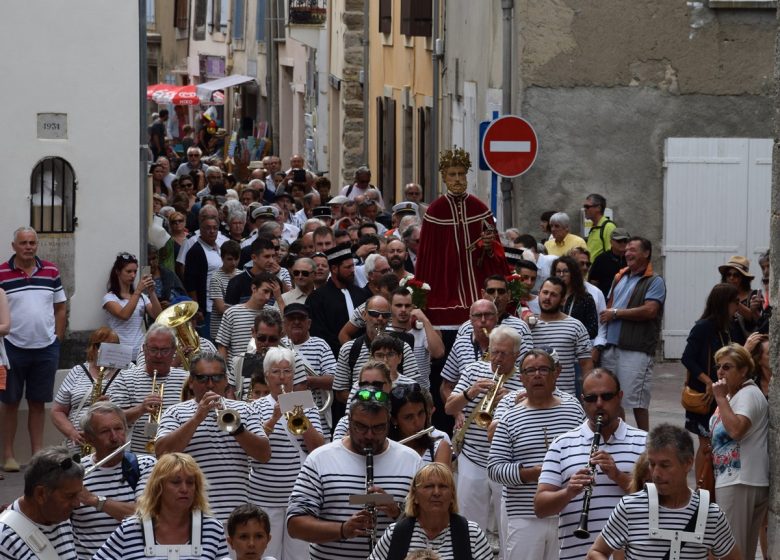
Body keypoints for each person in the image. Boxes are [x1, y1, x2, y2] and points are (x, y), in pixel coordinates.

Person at [286, 391, 424, 559]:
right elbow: (295, 525)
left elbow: (430, 522)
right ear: (349, 421)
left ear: (389, 422)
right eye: (361, 426)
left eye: (378, 427)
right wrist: (343, 530)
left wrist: (398, 512)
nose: (369, 435)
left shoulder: (411, 460)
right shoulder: (320, 459)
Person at [535, 368, 647, 560]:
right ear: (582, 400)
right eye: (591, 398)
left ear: (619, 397)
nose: (599, 404)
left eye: (606, 396)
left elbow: (660, 500)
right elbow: (540, 508)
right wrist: (569, 491)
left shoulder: (644, 442)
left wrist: (618, 476)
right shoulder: (561, 444)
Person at [487, 349, 585, 560]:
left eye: (543, 369)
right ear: (522, 378)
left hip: (568, 514)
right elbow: (494, 469)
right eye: (530, 370)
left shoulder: (574, 410)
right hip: (524, 516)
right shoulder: (508, 419)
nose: (537, 375)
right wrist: (531, 473)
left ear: (555, 374)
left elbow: (586, 454)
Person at [587, 424, 739, 560]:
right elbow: (596, 552)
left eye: (665, 465)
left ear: (687, 463)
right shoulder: (630, 507)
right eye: (652, 464)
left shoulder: (711, 515)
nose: (656, 474)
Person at [154, 352, 270, 523]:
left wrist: (237, 429)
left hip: (235, 516)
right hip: (192, 516)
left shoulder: (245, 410)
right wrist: (197, 418)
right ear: (191, 382)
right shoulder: (175, 412)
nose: (210, 384)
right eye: (202, 378)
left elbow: (264, 454)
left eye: (216, 378)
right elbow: (162, 453)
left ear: (225, 381)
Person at [444, 326, 526, 545]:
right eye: (494, 352)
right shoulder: (473, 371)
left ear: (516, 355)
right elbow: (449, 408)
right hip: (473, 456)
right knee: (468, 522)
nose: (497, 359)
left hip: (507, 461)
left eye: (503, 354)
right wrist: (470, 392)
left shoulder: (524, 379)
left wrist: (511, 400)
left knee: (508, 525)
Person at [415, 148, 509, 329]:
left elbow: (497, 253)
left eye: (461, 174)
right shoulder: (435, 211)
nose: (457, 179)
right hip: (445, 285)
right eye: (452, 175)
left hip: (478, 280)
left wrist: (488, 247)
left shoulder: (479, 208)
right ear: (444, 177)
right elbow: (427, 257)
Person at [0, 227, 67, 472]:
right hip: (11, 348)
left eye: (32, 243)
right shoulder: (2, 274)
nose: (28, 247)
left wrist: (57, 338)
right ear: (13, 246)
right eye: (23, 243)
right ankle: (8, 455)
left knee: (38, 402)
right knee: (10, 402)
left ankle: (37, 455)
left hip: (46, 347)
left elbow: (60, 306)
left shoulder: (51, 270)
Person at [248, 347, 325, 559]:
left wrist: (300, 416)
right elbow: (253, 449)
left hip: (297, 499)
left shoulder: (305, 402)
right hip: (263, 498)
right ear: (266, 376)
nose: (282, 377)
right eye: (276, 372)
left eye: (287, 371)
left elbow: (318, 448)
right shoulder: (254, 407)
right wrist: (274, 419)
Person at [93, 452, 229, 559]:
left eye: (190, 482)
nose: (184, 489)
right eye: (176, 482)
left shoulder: (213, 529)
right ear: (159, 487)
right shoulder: (130, 529)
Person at [72, 402, 156, 559]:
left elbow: (146, 514)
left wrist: (95, 500)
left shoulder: (146, 465)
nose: (114, 438)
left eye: (118, 429)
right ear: (89, 439)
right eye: (105, 431)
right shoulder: (75, 473)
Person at [599, 236, 666, 431]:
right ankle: (622, 440)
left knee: (636, 400)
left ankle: (644, 443)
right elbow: (608, 307)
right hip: (611, 346)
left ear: (646, 253)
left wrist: (616, 314)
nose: (627, 253)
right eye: (626, 249)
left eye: (633, 249)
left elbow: (650, 310)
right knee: (614, 399)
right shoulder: (620, 276)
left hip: (636, 348)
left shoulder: (655, 281)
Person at [710, 343, 768, 560]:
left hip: (741, 481)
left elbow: (736, 430)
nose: (721, 372)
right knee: (739, 551)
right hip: (735, 480)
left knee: (731, 551)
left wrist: (720, 398)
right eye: (719, 366)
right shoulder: (734, 395)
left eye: (728, 367)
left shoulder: (748, 394)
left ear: (743, 370)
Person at [367, 463, 493, 560]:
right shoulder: (395, 534)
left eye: (443, 486)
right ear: (415, 496)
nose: (436, 493)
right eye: (428, 486)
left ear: (452, 495)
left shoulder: (472, 534)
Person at [680, 283, 739, 487]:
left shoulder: (731, 326)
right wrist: (708, 381)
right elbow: (687, 358)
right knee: (705, 445)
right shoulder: (704, 327)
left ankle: (712, 485)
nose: (738, 307)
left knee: (716, 443)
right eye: (735, 302)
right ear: (725, 303)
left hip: (722, 394)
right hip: (704, 396)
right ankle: (702, 488)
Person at [107, 324, 190, 455]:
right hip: (139, 456)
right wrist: (140, 409)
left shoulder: (187, 379)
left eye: (164, 350)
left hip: (178, 455)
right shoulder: (125, 377)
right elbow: (113, 420)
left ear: (174, 351)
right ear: (144, 349)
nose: (158, 355)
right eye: (153, 350)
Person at [0, 446, 83, 559]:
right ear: (40, 494)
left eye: (78, 494)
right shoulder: (5, 539)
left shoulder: (60, 518)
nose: (77, 503)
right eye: (70, 496)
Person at [50, 327, 122, 453]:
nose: (110, 351)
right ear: (93, 348)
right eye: (105, 347)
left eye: (114, 347)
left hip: (115, 446)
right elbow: (57, 411)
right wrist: (72, 433)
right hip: (80, 446)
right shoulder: (77, 372)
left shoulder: (128, 372)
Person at [528, 277, 593, 395]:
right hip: (531, 397)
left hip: (565, 399)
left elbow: (586, 363)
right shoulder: (527, 325)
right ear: (539, 294)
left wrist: (589, 393)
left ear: (563, 300)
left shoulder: (575, 326)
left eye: (553, 295)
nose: (547, 298)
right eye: (545, 292)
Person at [307, 242, 373, 357]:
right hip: (332, 358)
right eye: (348, 267)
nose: (353, 270)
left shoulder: (362, 294)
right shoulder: (317, 298)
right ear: (334, 269)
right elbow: (319, 333)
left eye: (353, 266)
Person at [102, 251, 161, 360]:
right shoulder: (109, 298)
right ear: (118, 272)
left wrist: (152, 292)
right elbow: (124, 315)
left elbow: (158, 316)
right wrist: (138, 290)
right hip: (119, 353)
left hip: (140, 352)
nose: (133, 275)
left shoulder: (141, 296)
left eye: (135, 271)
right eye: (128, 271)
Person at [389, 383, 451, 468]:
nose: (417, 422)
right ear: (394, 420)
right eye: (409, 417)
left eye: (421, 413)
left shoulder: (439, 448)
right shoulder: (385, 451)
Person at [552, 255, 599, 339]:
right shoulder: (550, 295)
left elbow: (593, 329)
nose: (561, 275)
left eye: (566, 271)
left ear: (573, 273)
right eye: (558, 271)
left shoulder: (585, 298)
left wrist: (571, 335)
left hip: (576, 346)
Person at [718, 255, 761, 342]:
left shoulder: (753, 295)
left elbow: (756, 320)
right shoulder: (720, 294)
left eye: (736, 275)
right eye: (728, 274)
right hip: (725, 342)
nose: (731, 278)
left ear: (744, 278)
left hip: (748, 344)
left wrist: (733, 300)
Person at [587, 228, 629, 299]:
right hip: (605, 299)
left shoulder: (631, 258)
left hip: (627, 299)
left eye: (625, 241)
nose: (623, 243)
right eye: (619, 241)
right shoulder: (602, 259)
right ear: (611, 242)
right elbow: (593, 281)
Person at [582, 194, 615, 260]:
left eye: (587, 206)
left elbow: (611, 255)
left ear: (598, 208)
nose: (584, 209)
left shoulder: (608, 227)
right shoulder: (594, 227)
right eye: (584, 206)